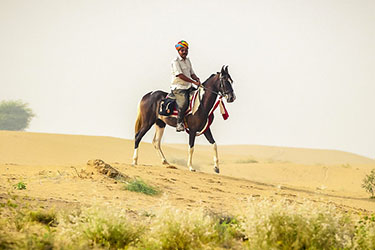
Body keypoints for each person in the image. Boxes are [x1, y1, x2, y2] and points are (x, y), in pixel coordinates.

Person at [171, 40, 201, 132]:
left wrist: (197, 79)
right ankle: (179, 123)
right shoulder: (175, 61)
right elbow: (180, 75)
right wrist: (193, 81)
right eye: (182, 50)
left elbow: (191, 73)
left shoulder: (188, 60)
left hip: (188, 86)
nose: (184, 52)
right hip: (179, 88)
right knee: (184, 103)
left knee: (199, 98)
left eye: (186, 50)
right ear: (178, 51)